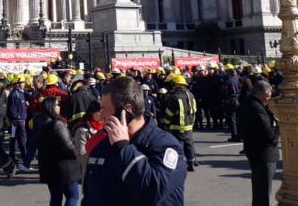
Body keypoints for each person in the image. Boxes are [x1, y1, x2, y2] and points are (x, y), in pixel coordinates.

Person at [82, 76, 186, 206]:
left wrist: (123, 147)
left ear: (126, 110)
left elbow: (154, 192)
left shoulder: (164, 145)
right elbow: (90, 196)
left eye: (104, 108)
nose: (101, 115)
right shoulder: (102, 147)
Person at [237, 80, 280, 206]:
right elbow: (269, 133)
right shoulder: (257, 108)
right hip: (264, 153)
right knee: (263, 190)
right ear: (263, 94)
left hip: (253, 151)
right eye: (268, 95)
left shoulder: (246, 103)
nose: (270, 98)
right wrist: (280, 125)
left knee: (259, 188)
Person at [38, 96, 81, 206]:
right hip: (64, 168)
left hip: (49, 167)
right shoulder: (57, 124)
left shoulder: (41, 123)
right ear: (51, 107)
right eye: (57, 105)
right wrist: (78, 156)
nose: (59, 107)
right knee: (73, 195)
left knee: (56, 197)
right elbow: (68, 146)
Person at [162, 73, 198, 171]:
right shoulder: (190, 95)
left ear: (178, 85)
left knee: (177, 146)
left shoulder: (174, 97)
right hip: (189, 126)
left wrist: (165, 123)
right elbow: (194, 111)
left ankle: (179, 165)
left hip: (176, 126)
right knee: (189, 145)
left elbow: (169, 113)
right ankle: (191, 162)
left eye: (174, 84)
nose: (173, 85)